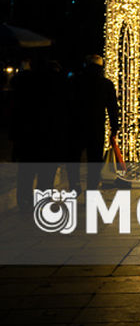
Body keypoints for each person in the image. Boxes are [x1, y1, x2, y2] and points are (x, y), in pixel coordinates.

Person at [10, 57, 70, 212]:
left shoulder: (24, 82)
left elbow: (16, 110)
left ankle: (24, 200)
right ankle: (42, 200)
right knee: (47, 173)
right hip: (50, 135)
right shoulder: (59, 83)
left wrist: (15, 135)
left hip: (28, 134)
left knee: (26, 171)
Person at [66, 54, 119, 192]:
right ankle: (92, 187)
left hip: (76, 125)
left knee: (73, 157)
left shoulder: (74, 81)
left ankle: (74, 184)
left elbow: (67, 104)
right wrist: (114, 127)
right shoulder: (106, 84)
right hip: (96, 127)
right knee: (94, 160)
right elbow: (112, 108)